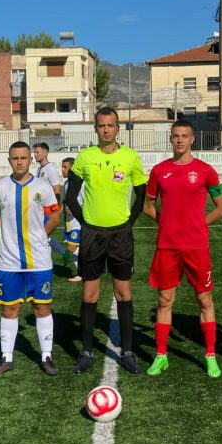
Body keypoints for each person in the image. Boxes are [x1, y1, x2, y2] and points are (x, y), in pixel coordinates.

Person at [144, 120, 222, 378]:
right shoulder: (159, 171)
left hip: (196, 246)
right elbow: (148, 207)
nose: (180, 140)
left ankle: (210, 356)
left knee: (204, 300)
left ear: (192, 139)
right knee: (164, 300)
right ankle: (161, 356)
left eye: (184, 136)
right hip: (167, 246)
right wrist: (167, 224)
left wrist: (199, 224)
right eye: (175, 136)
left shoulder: (205, 171)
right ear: (170, 139)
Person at [66, 106, 147, 373]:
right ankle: (86, 352)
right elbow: (70, 196)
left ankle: (127, 352)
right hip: (93, 235)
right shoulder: (85, 157)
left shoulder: (130, 158)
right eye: (101, 125)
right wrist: (86, 223)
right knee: (90, 295)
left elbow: (142, 194)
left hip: (120, 235)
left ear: (117, 128)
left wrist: (129, 224)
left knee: (124, 294)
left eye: (110, 125)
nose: (106, 130)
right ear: (95, 129)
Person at [0, 141, 61, 376]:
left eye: (23, 158)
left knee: (42, 306)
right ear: (9, 160)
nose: (19, 162)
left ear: (30, 159)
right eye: (14, 158)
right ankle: (6, 357)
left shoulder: (43, 186)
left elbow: (54, 216)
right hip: (8, 262)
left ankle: (46, 355)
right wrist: (10, 236)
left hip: (39, 260)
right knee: (9, 309)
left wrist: (40, 236)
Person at [33, 142, 66, 262]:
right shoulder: (39, 169)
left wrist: (54, 213)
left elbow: (57, 191)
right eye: (34, 152)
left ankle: (44, 262)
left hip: (47, 210)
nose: (35, 154)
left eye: (37, 152)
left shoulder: (50, 169)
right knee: (39, 237)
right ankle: (63, 253)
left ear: (45, 153)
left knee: (39, 237)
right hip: (39, 209)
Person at [61, 157, 84, 282]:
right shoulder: (66, 184)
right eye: (62, 167)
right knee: (69, 247)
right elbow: (66, 201)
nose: (62, 170)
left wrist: (76, 208)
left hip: (77, 221)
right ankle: (81, 273)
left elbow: (87, 201)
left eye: (65, 167)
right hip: (68, 221)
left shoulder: (81, 183)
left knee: (71, 248)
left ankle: (92, 263)